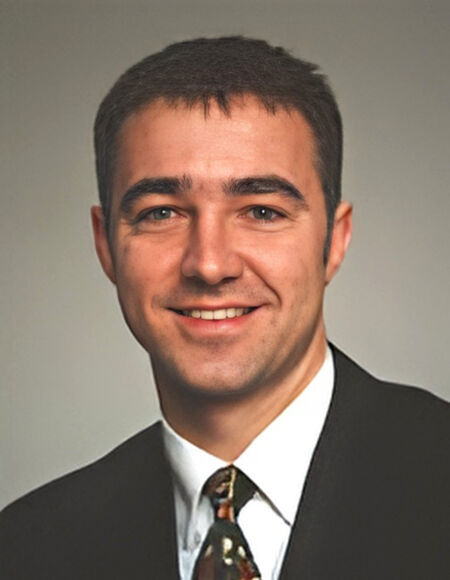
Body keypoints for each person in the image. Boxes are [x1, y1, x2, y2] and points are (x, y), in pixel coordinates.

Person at [0, 36, 448, 580]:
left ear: (334, 241)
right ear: (106, 245)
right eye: (161, 213)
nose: (209, 265)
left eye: (261, 211)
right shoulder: (26, 549)